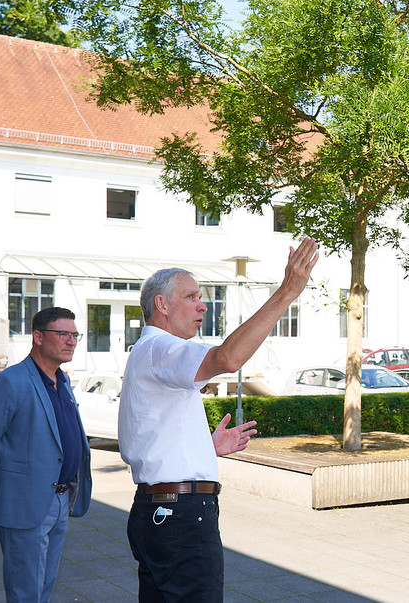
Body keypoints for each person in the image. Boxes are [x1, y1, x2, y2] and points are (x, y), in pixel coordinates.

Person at [119, 238, 319, 602]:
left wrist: (203, 449)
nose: (203, 305)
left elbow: (148, 437)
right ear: (161, 305)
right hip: (179, 515)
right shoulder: (161, 348)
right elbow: (227, 358)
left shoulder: (147, 353)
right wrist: (286, 293)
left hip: (159, 513)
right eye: (192, 297)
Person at [0, 307, 92, 603]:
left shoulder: (62, 381)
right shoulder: (10, 383)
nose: (71, 341)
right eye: (63, 334)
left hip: (61, 498)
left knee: (44, 586)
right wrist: (4, 491)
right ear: (38, 336)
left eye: (75, 335)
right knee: (25, 592)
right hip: (24, 502)